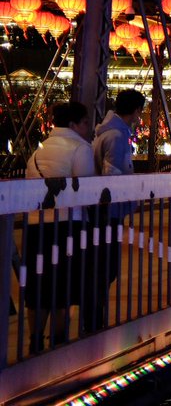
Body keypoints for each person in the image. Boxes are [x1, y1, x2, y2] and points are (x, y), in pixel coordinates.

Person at [24, 100, 95, 353]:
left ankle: (35, 339)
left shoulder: (38, 151)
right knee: (64, 284)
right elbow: (86, 190)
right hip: (68, 225)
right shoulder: (80, 148)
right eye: (86, 122)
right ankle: (58, 341)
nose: (89, 127)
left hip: (36, 225)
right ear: (74, 124)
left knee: (38, 283)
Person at [90, 89, 145, 331]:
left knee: (103, 267)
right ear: (136, 111)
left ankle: (94, 318)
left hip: (105, 211)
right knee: (105, 268)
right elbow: (112, 175)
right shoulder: (117, 136)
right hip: (107, 213)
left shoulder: (107, 132)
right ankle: (94, 320)